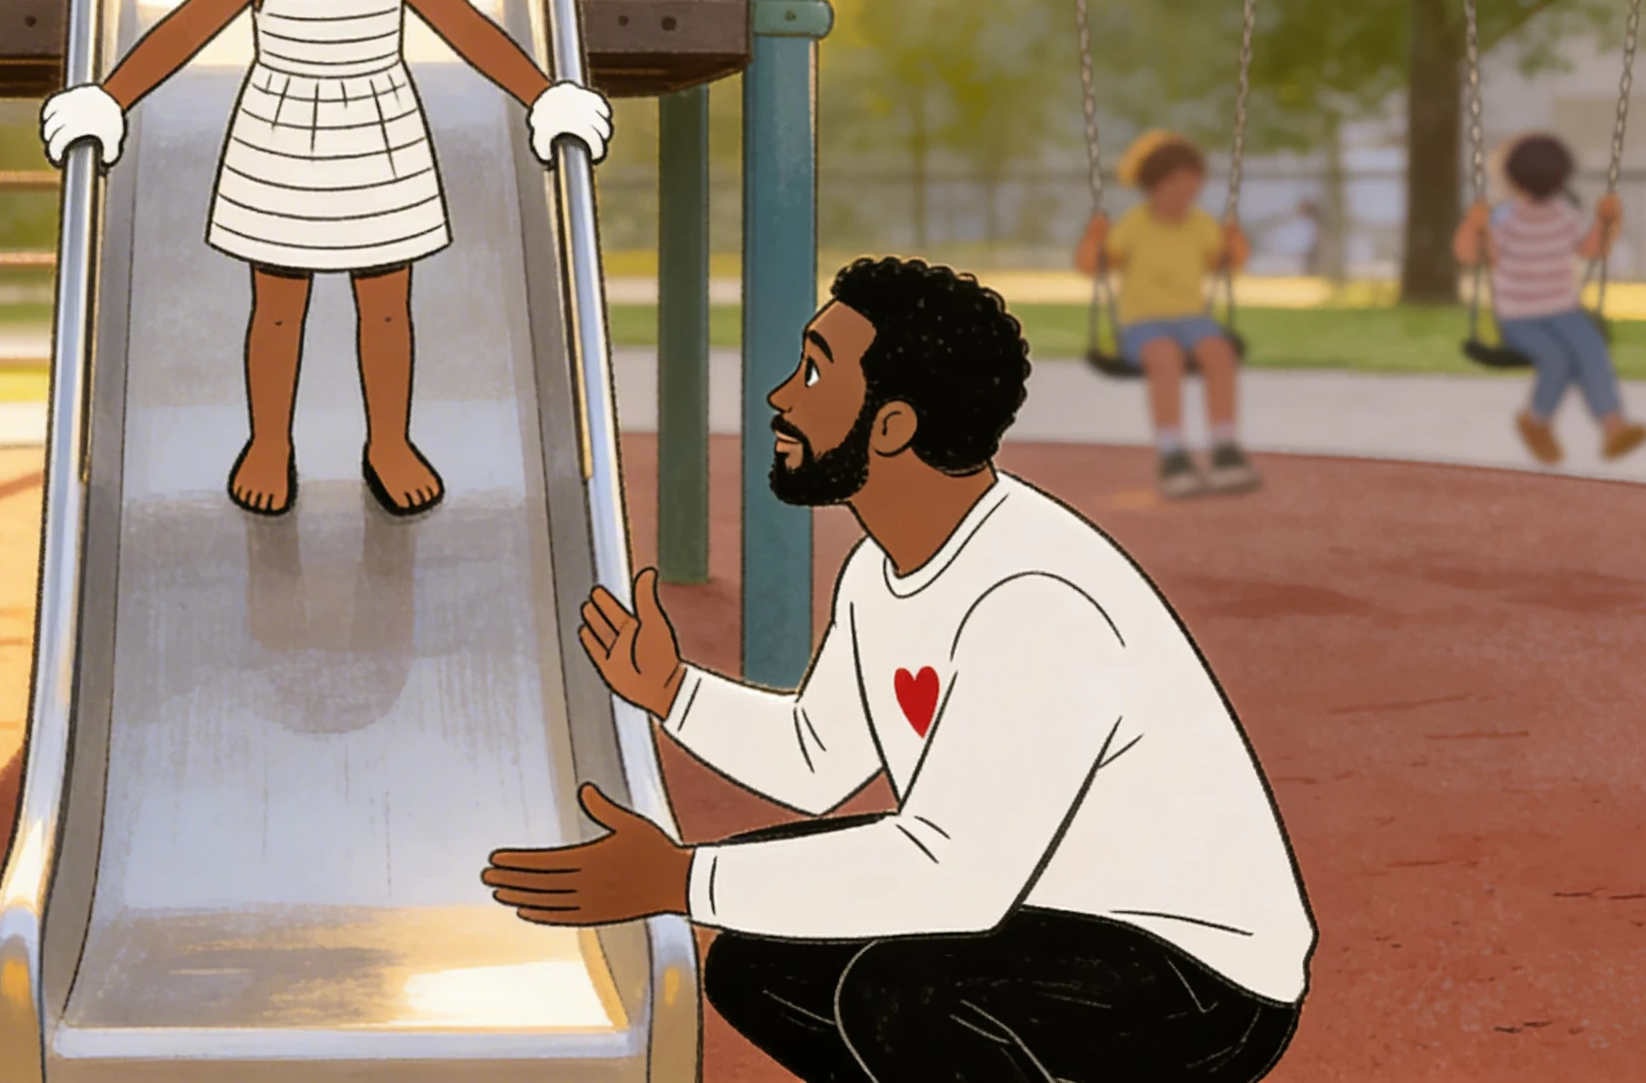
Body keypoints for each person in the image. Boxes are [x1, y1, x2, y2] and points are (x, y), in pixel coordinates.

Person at [484, 258, 1314, 1083]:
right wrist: (673, 691)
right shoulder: (881, 570)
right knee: (756, 963)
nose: (781, 397)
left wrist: (683, 877)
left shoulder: (1033, 599)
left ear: (891, 427)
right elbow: (817, 760)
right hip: (1040, 906)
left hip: (1200, 976)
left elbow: (954, 876)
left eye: (815, 373)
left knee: (898, 992)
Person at [36, 0, 613, 519]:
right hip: (282, 144)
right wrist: (110, 96)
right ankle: (269, 440)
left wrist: (544, 94)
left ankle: (389, 442)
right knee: (279, 307)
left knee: (388, 305)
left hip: (381, 143)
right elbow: (184, 31)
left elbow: (470, 33)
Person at [1077, 129, 1258, 498]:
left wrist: (1235, 244)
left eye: (1192, 183)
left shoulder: (1201, 224)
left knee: (1219, 353)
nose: (1185, 191)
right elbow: (1093, 266)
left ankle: (1224, 446)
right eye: (1175, 183)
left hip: (1193, 319)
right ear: (1153, 186)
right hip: (1142, 324)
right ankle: (1172, 452)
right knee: (1164, 356)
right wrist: (1094, 240)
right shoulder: (1134, 224)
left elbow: (1224, 263)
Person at [1454, 132, 1646, 464]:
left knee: (1591, 348)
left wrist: (1607, 223)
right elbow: (1472, 255)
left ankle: (1614, 427)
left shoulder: (1564, 214)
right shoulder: (1503, 219)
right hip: (1520, 316)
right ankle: (1537, 421)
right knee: (1557, 357)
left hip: (1563, 309)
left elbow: (1590, 249)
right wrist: (1474, 226)